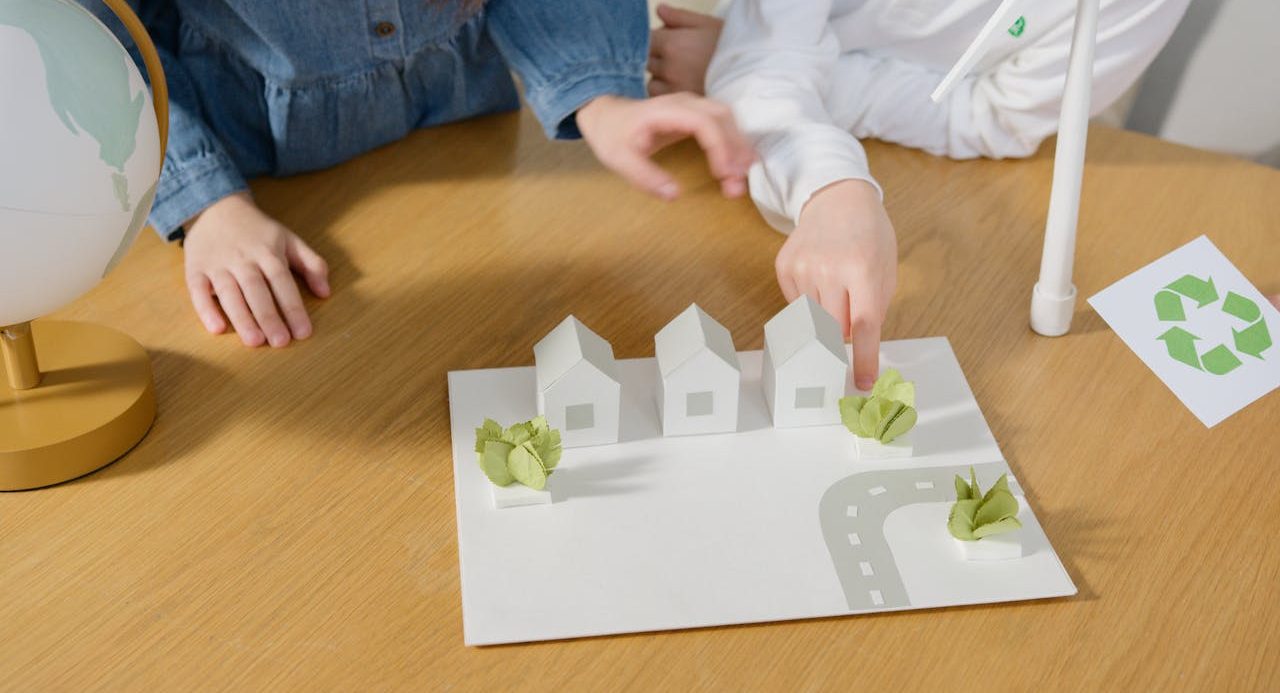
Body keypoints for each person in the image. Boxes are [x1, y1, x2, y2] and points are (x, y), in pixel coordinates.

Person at [91, 0, 754, 348]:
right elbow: (94, 30)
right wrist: (203, 200)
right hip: (241, 144)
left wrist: (596, 95)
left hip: (470, 118)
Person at [650, 0, 1202, 389]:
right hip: (713, 126)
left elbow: (997, 117)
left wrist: (764, 70)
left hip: (937, 173)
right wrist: (831, 187)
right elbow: (772, 59)